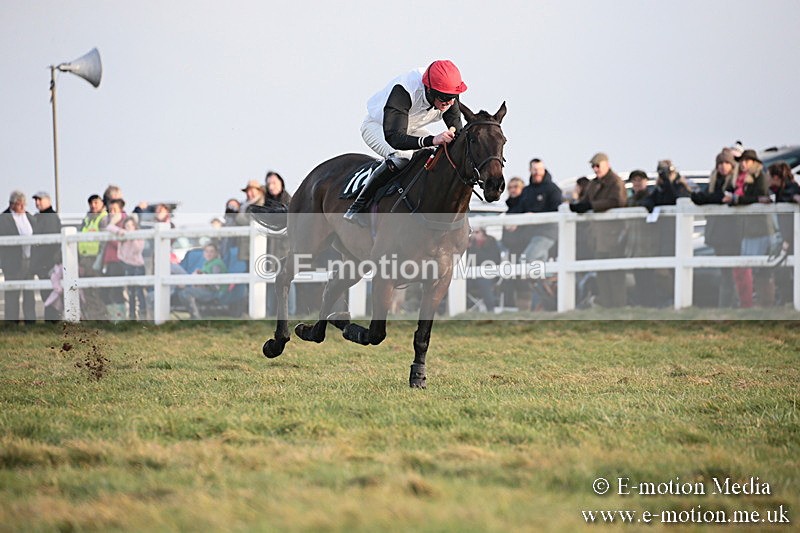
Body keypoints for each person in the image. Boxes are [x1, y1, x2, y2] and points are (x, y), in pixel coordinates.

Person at [344, 59, 467, 225]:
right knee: (401, 158)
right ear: (429, 90)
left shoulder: (447, 90)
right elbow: (395, 138)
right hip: (380, 127)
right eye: (445, 98)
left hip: (411, 127)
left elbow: (457, 132)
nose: (450, 103)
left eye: (453, 97)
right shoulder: (404, 90)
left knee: (438, 154)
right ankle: (358, 206)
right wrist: (433, 139)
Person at [571, 153, 627, 307]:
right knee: (601, 273)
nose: (595, 169)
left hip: (613, 235)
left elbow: (618, 201)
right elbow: (586, 201)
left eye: (598, 165)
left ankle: (618, 306)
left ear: (606, 164)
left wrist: (592, 206)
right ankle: (608, 306)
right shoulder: (593, 183)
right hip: (597, 236)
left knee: (615, 274)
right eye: (593, 166)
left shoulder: (616, 181)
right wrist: (578, 205)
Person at [691, 150, 743, 308]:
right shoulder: (714, 182)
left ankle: (731, 306)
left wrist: (712, 198)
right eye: (720, 163)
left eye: (726, 163)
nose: (723, 167)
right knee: (725, 274)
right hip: (717, 234)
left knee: (732, 274)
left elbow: (722, 198)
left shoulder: (735, 182)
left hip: (731, 235)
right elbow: (704, 198)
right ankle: (725, 306)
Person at [724, 149, 774, 307]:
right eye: (742, 161)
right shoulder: (740, 179)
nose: (743, 164)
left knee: (761, 271)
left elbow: (760, 197)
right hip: (747, 230)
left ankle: (765, 303)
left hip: (760, 229)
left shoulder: (760, 177)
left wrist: (738, 199)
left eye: (747, 160)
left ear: (754, 162)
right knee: (749, 269)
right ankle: (750, 303)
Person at [513, 158, 562, 262]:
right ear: (530, 170)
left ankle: (548, 276)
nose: (537, 172)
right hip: (529, 234)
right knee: (537, 264)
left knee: (527, 259)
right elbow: (520, 208)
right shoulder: (527, 190)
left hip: (547, 233)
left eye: (540, 169)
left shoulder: (553, 189)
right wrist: (512, 221)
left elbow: (557, 210)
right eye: (534, 169)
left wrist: (535, 215)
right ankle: (547, 277)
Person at [624, 170, 660, 307]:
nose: (637, 183)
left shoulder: (651, 197)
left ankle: (650, 304)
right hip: (633, 244)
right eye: (634, 180)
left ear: (646, 181)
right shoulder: (630, 201)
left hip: (647, 244)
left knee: (648, 278)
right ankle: (642, 304)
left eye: (640, 180)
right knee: (638, 277)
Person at [0, 191, 36, 324]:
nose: (22, 207)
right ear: (12, 204)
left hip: (28, 260)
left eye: (23, 204)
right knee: (12, 294)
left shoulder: (29, 217)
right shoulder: (3, 219)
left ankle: (30, 321)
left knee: (29, 293)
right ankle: (11, 322)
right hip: (13, 262)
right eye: (20, 205)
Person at [767, 161, 800, 305]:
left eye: (769, 176)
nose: (767, 179)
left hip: (793, 238)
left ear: (776, 177)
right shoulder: (780, 191)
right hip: (790, 238)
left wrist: (788, 239)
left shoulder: (790, 190)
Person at [31, 191, 62, 321]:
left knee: (50, 293)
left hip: (47, 262)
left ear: (48, 200)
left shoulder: (49, 218)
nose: (37, 203)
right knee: (48, 293)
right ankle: (51, 320)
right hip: (43, 262)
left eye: (40, 200)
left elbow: (49, 243)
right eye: (36, 200)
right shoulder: (41, 217)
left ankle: (52, 320)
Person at [77, 194, 108, 319]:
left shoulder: (103, 218)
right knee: (86, 290)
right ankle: (93, 317)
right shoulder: (86, 219)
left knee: (96, 290)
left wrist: (100, 260)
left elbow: (104, 241)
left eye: (96, 202)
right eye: (91, 203)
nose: (93, 205)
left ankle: (101, 317)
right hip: (85, 259)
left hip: (96, 259)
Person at [177, 243, 227, 319]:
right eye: (206, 251)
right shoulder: (207, 264)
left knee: (185, 293)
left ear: (216, 253)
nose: (209, 254)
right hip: (207, 290)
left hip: (214, 292)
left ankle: (195, 316)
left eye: (211, 251)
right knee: (183, 291)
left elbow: (216, 285)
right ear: (203, 253)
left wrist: (202, 279)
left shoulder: (216, 264)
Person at [99, 198, 128, 320]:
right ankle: (114, 317)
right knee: (104, 291)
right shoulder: (107, 223)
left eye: (114, 209)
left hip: (118, 261)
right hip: (108, 261)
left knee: (117, 291)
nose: (112, 212)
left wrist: (110, 234)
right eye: (110, 210)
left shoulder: (124, 223)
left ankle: (120, 319)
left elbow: (122, 243)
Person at [115, 216, 146, 320]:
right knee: (130, 292)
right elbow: (120, 252)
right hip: (127, 265)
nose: (129, 228)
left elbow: (138, 249)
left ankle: (143, 313)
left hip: (138, 266)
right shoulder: (123, 237)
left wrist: (132, 237)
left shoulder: (139, 236)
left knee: (139, 291)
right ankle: (132, 315)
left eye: (131, 225)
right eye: (127, 226)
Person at [466, 228, 502, 313]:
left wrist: (473, 249)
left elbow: (491, 259)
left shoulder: (491, 241)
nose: (474, 235)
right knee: (460, 283)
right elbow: (468, 261)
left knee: (484, 282)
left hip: (488, 273)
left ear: (483, 233)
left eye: (477, 232)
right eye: (472, 232)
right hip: (471, 274)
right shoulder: (469, 243)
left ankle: (490, 309)